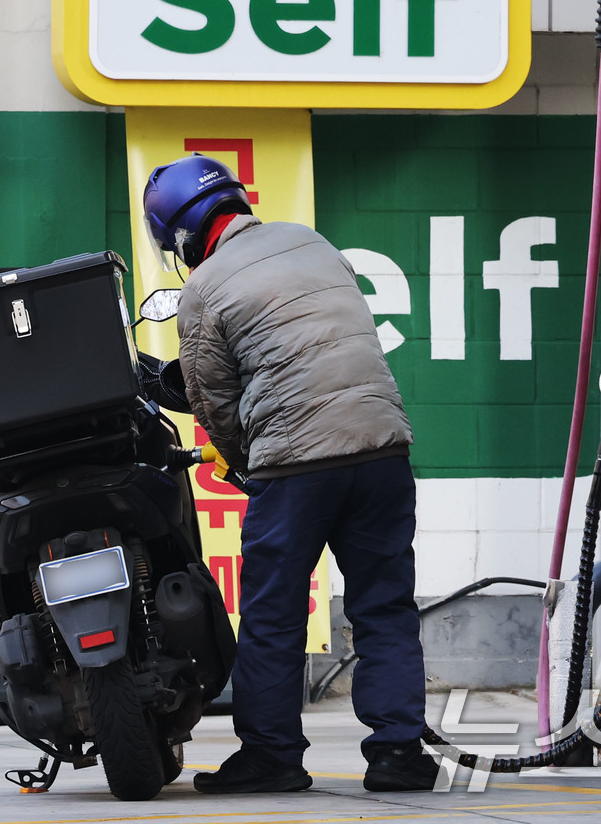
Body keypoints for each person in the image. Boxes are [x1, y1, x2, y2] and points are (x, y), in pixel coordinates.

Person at [142, 153, 440, 794]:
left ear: (184, 238)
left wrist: (244, 462)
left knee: (274, 614)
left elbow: (211, 400)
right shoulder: (312, 241)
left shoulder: (204, 287)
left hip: (298, 465)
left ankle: (272, 755)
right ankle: (399, 755)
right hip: (384, 451)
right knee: (385, 608)